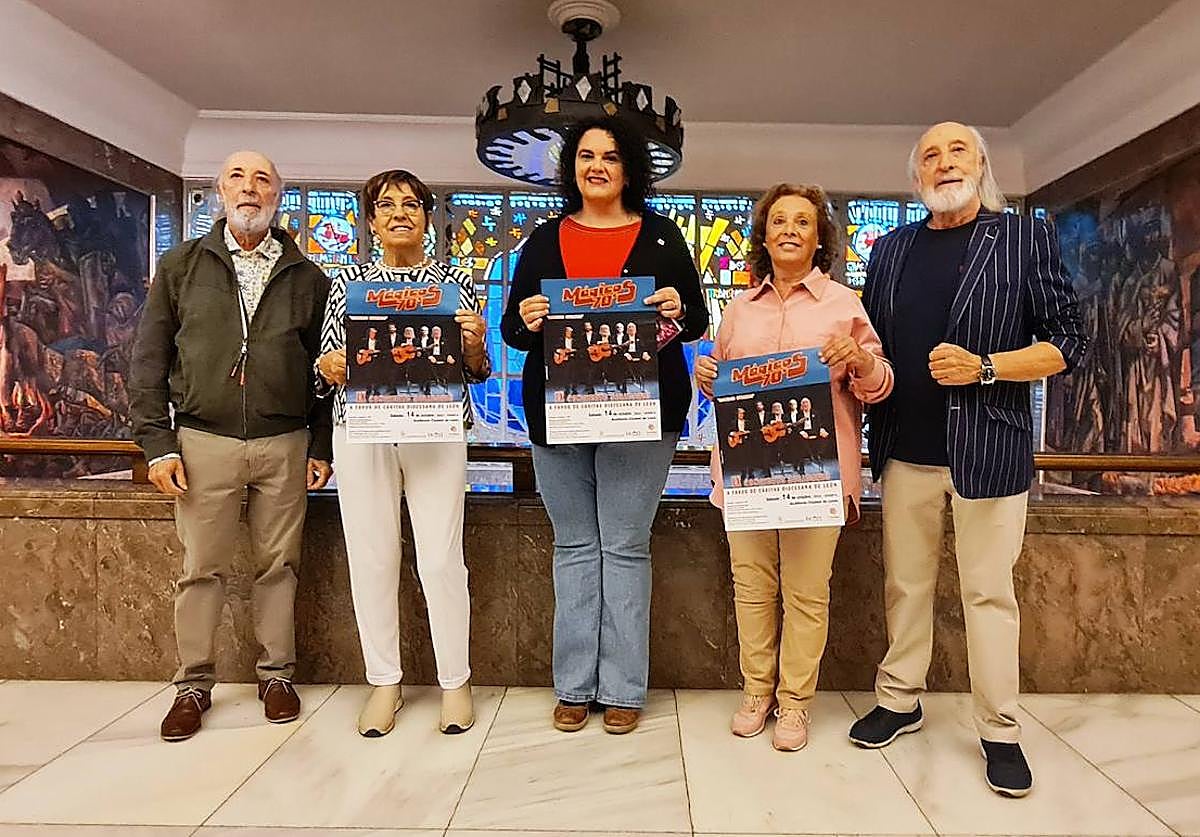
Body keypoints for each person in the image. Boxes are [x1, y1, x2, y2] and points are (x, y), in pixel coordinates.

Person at [850, 122, 1086, 797]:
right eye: (929, 154)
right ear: (915, 175)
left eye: (957, 150)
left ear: (981, 164)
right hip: (905, 452)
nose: (943, 162)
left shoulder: (1023, 237)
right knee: (906, 585)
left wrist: (986, 366)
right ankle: (900, 698)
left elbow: (1068, 341)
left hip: (991, 451)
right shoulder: (891, 248)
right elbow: (872, 343)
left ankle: (1000, 729)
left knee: (989, 593)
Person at [502, 116, 707, 734]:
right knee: (573, 546)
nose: (597, 166)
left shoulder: (665, 237)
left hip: (640, 416)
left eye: (611, 157)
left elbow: (694, 320)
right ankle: (573, 685)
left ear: (629, 169)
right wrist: (531, 316)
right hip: (558, 415)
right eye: (586, 156)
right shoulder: (541, 240)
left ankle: (622, 687)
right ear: (571, 168)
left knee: (623, 546)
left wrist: (676, 306)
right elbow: (513, 331)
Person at [131, 150, 333, 742]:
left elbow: (324, 370)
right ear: (220, 191)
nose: (251, 189)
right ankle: (193, 683)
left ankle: (277, 676)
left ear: (278, 194)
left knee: (280, 566)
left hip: (285, 441)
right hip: (203, 441)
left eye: (263, 179)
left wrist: (320, 444)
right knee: (201, 569)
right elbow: (149, 359)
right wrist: (157, 444)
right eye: (238, 178)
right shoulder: (181, 266)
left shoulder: (309, 277)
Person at [695, 182, 892, 751]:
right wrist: (705, 378)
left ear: (819, 237)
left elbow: (879, 386)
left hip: (818, 478)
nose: (788, 229)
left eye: (801, 222)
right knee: (752, 589)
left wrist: (858, 359)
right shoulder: (736, 310)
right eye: (778, 220)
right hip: (748, 476)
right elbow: (721, 384)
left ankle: (796, 704)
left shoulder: (845, 305)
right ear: (762, 234)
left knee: (808, 594)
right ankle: (756, 692)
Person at [315, 169, 490, 737]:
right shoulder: (347, 280)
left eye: (411, 204)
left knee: (440, 559)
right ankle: (384, 680)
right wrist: (329, 365)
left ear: (426, 216)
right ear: (370, 220)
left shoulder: (455, 280)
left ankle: (455, 682)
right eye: (386, 205)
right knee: (372, 557)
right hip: (362, 429)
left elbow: (476, 370)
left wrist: (475, 344)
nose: (399, 214)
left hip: (435, 430)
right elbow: (325, 362)